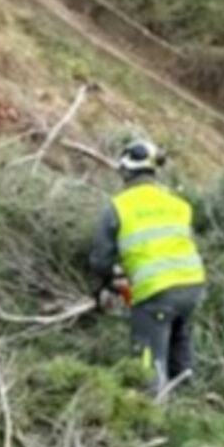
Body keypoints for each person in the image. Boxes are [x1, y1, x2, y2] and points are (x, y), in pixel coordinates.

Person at [89, 137, 205, 392]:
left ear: (125, 171)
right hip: (193, 285)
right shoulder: (178, 204)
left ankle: (148, 405)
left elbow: (99, 260)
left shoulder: (118, 207)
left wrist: (110, 281)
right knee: (178, 339)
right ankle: (188, 398)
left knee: (148, 360)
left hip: (156, 292)